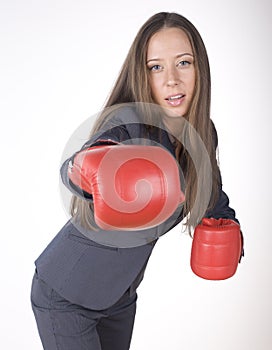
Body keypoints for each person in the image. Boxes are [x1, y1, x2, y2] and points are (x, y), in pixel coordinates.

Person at [30, 12, 244, 350]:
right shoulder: (126, 124)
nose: (172, 79)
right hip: (67, 294)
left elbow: (210, 191)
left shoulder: (203, 135)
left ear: (200, 68)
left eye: (184, 63)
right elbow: (76, 168)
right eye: (156, 67)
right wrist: (92, 169)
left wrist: (224, 221)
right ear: (142, 75)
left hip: (120, 295)